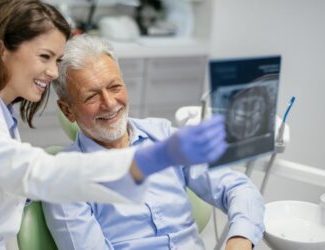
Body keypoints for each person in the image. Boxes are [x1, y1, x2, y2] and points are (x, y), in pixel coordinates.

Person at [0, 1, 228, 249]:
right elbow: (35, 173)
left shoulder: (1, 119)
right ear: (3, 50)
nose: (54, 73)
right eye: (45, 56)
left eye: (56, 60)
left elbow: (11, 184)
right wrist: (155, 158)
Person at [43, 35, 265, 250]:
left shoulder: (163, 135)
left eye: (114, 87)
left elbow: (238, 187)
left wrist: (239, 240)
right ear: (67, 110)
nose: (110, 104)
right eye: (91, 96)